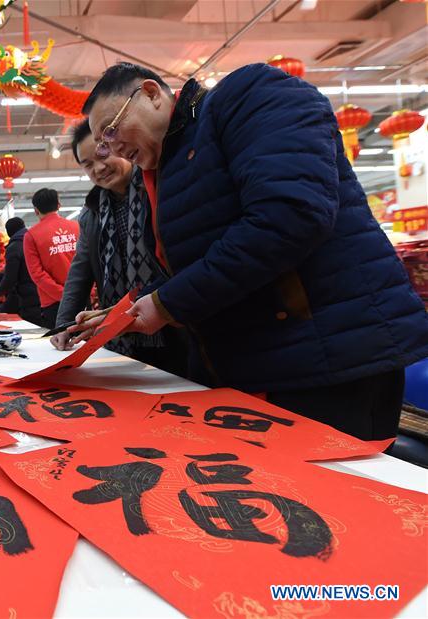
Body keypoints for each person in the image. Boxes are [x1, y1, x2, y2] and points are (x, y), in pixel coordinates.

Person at [74, 61, 428, 440]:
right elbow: (200, 259)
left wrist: (166, 303)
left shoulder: (249, 95)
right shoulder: (170, 165)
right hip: (257, 364)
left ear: (150, 93)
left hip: (326, 362)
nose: (113, 149)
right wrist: (136, 306)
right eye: (103, 144)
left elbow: (289, 217)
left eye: (111, 130)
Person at [53, 119, 188, 377]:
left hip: (173, 324)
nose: (99, 168)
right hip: (118, 334)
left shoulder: (159, 189)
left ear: (119, 147)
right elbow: (80, 272)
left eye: (102, 155)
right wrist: (63, 325)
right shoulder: (92, 212)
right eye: (88, 165)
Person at [22, 188, 80, 328]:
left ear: (36, 210)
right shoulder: (77, 227)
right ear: (59, 205)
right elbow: (90, 262)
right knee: (85, 345)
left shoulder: (31, 235)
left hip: (53, 302)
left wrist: (63, 295)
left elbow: (37, 274)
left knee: (58, 344)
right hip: (81, 297)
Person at [0, 217, 44, 325]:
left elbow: (10, 277)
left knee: (32, 330)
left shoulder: (14, 247)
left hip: (29, 297)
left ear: (9, 231)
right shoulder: (36, 240)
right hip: (45, 291)